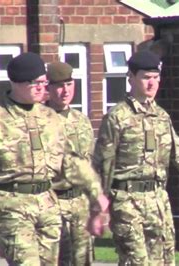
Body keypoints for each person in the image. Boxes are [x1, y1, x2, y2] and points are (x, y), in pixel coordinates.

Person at [93, 50, 179, 266]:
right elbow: (102, 164)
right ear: (131, 78)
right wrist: (99, 207)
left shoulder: (162, 117)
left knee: (164, 262)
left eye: (156, 78)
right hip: (127, 202)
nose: (152, 83)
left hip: (158, 201)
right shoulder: (117, 117)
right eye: (146, 77)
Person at [0, 53, 107, 265]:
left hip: (48, 207)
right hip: (13, 206)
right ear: (15, 83)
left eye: (43, 82)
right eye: (35, 83)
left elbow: (69, 160)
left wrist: (97, 193)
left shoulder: (50, 117)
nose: (41, 88)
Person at [46, 61, 107, 265]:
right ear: (49, 88)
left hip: (80, 204)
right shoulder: (42, 120)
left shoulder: (82, 121)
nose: (65, 91)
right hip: (54, 202)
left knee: (83, 260)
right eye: (60, 86)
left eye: (70, 84)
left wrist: (95, 207)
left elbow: (90, 163)